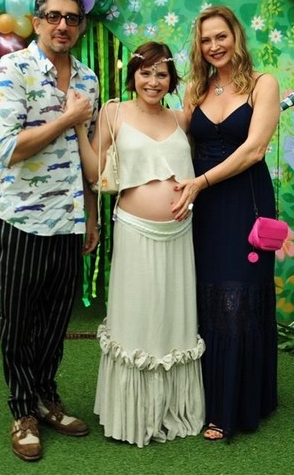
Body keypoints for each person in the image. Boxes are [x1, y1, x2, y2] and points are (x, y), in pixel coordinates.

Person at [0, 0, 100, 462]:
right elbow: (8, 148)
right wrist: (67, 118)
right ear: (36, 22)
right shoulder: (11, 70)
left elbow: (85, 153)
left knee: (55, 322)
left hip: (69, 220)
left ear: (81, 26)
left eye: (72, 18)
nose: (62, 25)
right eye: (53, 16)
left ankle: (47, 398)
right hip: (22, 220)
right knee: (19, 323)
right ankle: (22, 412)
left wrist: (91, 217)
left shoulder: (88, 80)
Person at [78, 41, 205, 447]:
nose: (153, 81)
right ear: (133, 75)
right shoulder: (113, 112)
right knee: (138, 320)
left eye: (161, 74)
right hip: (135, 231)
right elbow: (95, 172)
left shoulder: (182, 118)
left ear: (171, 81)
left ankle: (170, 409)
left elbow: (196, 173)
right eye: (145, 72)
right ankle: (133, 416)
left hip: (179, 235)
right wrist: (78, 128)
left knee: (172, 321)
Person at [173, 6, 281, 441]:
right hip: (204, 207)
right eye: (205, 40)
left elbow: (254, 150)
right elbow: (179, 140)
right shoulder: (196, 88)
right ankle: (201, 397)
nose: (214, 46)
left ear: (236, 37)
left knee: (238, 297)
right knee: (206, 295)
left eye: (221, 36)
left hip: (244, 202)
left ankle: (231, 406)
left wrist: (200, 182)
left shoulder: (262, 84)